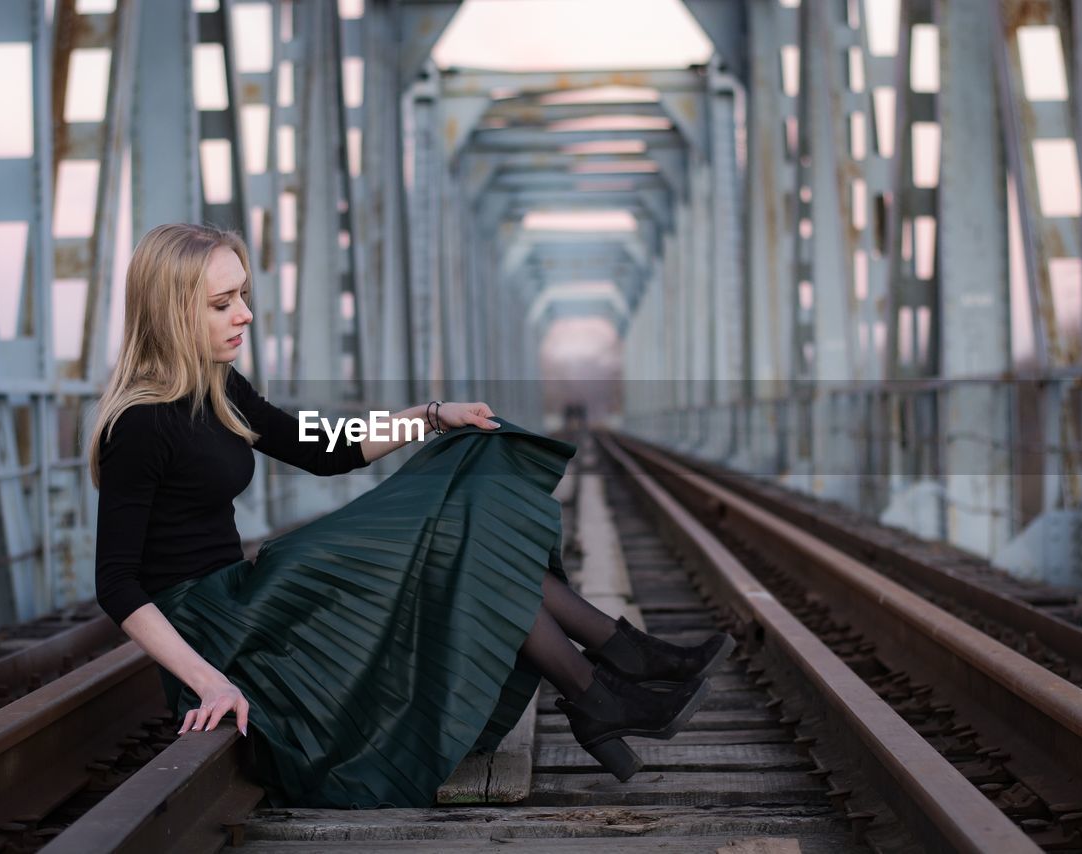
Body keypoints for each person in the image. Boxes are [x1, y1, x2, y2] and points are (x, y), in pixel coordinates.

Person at [88, 223, 735, 808]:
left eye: (243, 295)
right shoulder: (141, 423)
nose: (246, 315)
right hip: (220, 632)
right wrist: (212, 683)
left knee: (461, 541)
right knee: (444, 534)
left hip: (249, 597)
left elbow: (324, 447)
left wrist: (431, 417)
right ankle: (615, 676)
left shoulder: (219, 388)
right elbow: (117, 584)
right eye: (222, 303)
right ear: (171, 312)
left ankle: (604, 685)